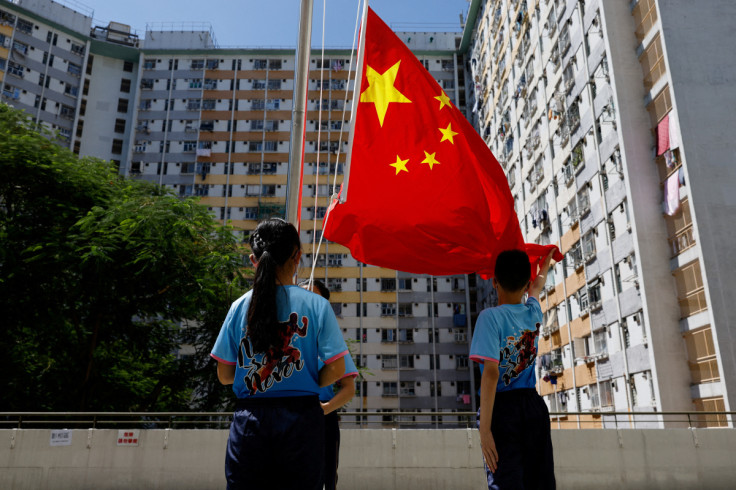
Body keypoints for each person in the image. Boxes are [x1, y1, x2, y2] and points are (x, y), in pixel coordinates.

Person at [210, 218, 348, 490]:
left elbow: (225, 375)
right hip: (302, 421)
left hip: (251, 422)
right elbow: (337, 369)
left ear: (253, 260)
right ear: (297, 257)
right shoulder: (317, 305)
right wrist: (306, 381)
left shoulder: (239, 307)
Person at [470, 249, 556, 489]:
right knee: (539, 482)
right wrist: (545, 262)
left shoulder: (490, 317)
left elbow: (491, 372)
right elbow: (538, 285)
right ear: (526, 284)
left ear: (494, 281)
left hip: (502, 409)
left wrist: (485, 429)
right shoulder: (533, 311)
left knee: (505, 481)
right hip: (533, 406)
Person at [299, 279, 358, 490]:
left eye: (312, 296)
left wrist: (324, 410)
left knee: (325, 477)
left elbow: (349, 388)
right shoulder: (286, 337)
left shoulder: (331, 342)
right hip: (288, 413)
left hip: (321, 416)